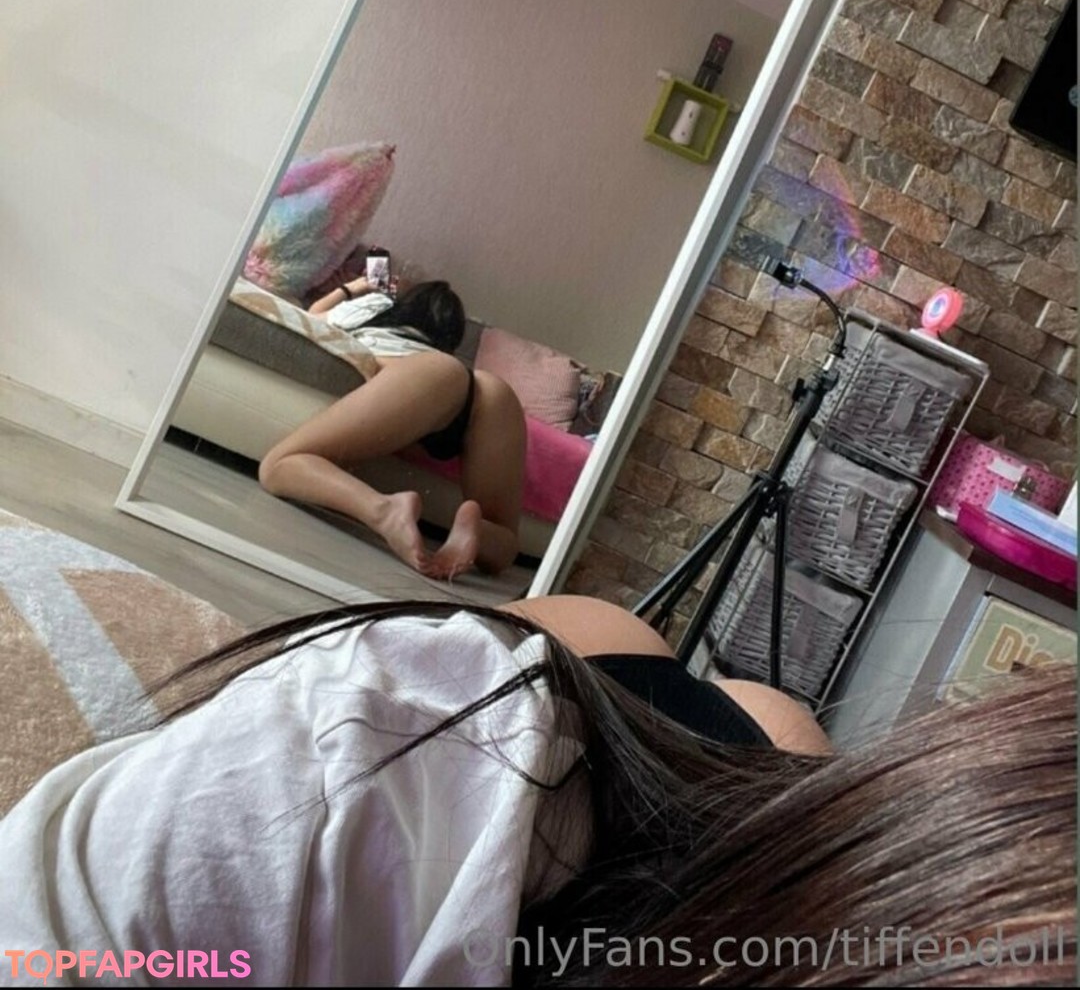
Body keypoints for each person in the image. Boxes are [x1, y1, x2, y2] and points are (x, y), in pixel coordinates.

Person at [0, 594, 1072, 987]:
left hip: (714, 795)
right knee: (739, 715)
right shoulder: (402, 757)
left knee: (751, 714)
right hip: (655, 796)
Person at [258, 277, 526, 579]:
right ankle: (479, 529)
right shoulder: (444, 354)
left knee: (278, 465)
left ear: (403, 306)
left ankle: (385, 510)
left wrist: (354, 288)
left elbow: (312, 316)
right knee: (505, 536)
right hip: (492, 391)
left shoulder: (374, 308)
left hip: (430, 375)